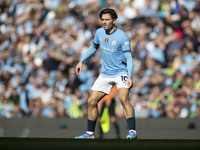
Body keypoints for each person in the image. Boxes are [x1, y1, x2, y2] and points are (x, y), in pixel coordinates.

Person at [75, 8, 137, 139]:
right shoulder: (99, 33)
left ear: (114, 20)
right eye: (102, 19)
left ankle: (132, 132)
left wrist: (130, 75)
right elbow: (93, 46)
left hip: (121, 72)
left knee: (123, 98)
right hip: (105, 73)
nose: (104, 22)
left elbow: (129, 57)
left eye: (107, 19)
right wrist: (82, 61)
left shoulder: (122, 36)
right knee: (91, 101)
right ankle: (90, 134)